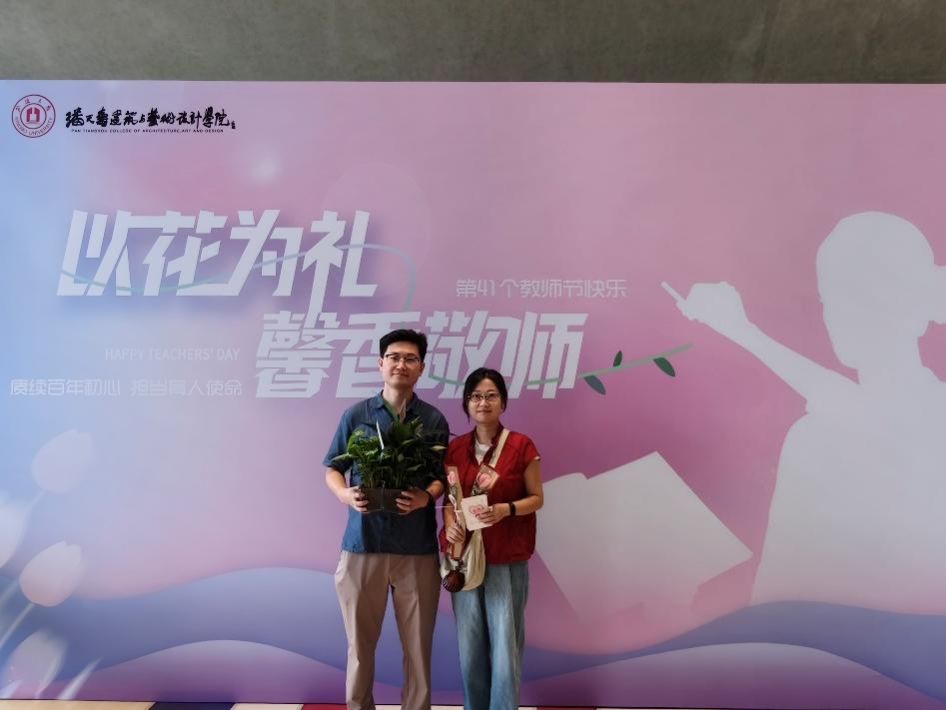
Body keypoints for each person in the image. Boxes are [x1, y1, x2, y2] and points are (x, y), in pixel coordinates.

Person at [669, 211, 946, 612]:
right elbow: (779, 592)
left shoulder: (852, 431)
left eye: (866, 298)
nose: (841, 317)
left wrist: (741, 330)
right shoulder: (814, 436)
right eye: (830, 299)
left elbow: (869, 415)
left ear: (916, 311)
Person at [324, 328, 449, 710]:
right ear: (381, 364)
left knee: (418, 648)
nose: (401, 364)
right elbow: (333, 468)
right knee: (360, 648)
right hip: (363, 544)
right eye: (394, 357)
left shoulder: (432, 419)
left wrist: (426, 496)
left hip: (416, 548)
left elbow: (442, 476)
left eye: (410, 359)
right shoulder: (357, 415)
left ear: (421, 367)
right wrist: (345, 494)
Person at [441, 367, 543, 710]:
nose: (482, 403)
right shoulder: (456, 449)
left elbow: (537, 498)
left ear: (503, 402)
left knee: (504, 645)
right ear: (466, 403)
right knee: (469, 645)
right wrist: (451, 525)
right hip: (465, 560)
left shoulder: (521, 445)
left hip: (505, 557)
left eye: (490, 396)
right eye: (475, 396)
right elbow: (451, 501)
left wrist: (505, 510)